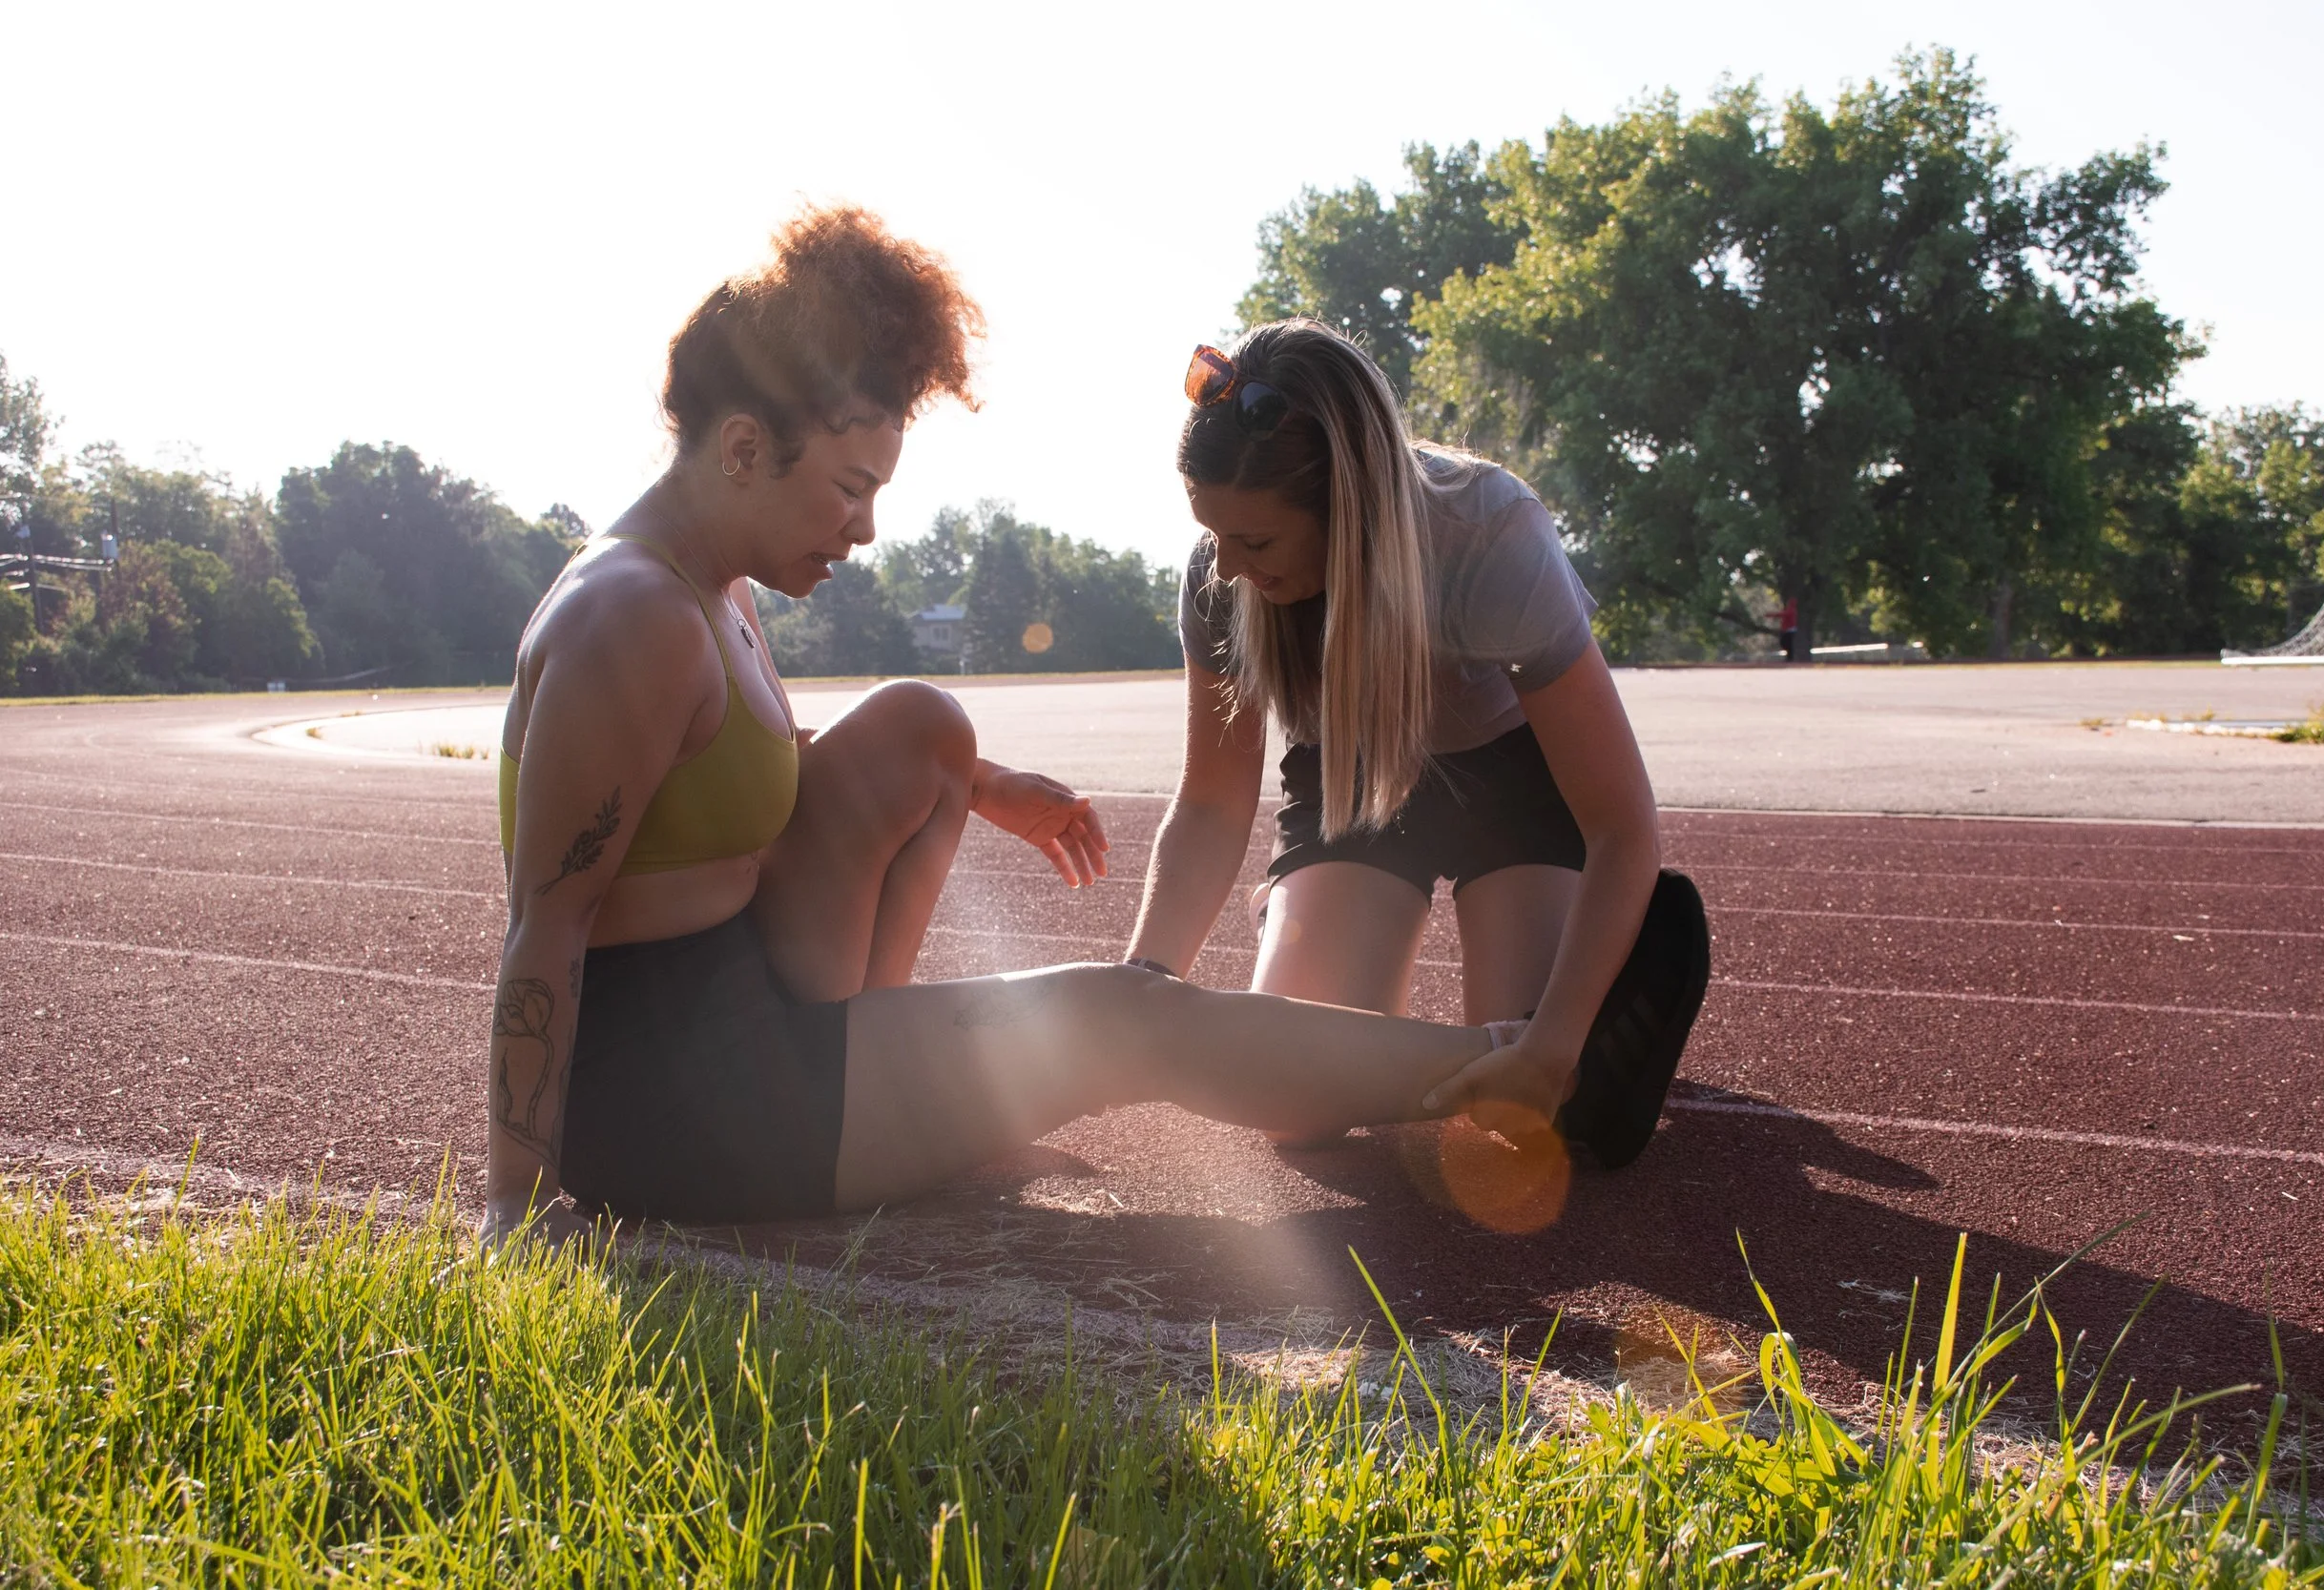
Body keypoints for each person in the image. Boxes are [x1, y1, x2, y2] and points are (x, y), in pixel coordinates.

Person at [480, 212, 1548, 1248]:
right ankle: (1512, 1064)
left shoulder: (708, 586)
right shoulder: (630, 619)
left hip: (751, 1007)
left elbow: (718, 781)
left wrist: (977, 778)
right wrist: (518, 1204)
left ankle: (897, 1101)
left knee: (918, 721)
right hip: (679, 1111)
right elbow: (548, 919)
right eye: (851, 489)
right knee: (1124, 1020)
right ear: (747, 447)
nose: (864, 528)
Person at [1124, 320, 1710, 1166]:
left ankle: (1622, 945)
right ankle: (1303, 911)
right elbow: (1213, 801)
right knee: (1290, 1112)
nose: (1226, 568)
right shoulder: (1221, 580)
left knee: (1522, 1106)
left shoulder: (1492, 537)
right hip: (1353, 773)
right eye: (1213, 535)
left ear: (1350, 515)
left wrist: (1551, 1047)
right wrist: (1142, 985)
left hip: (1512, 777)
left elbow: (1624, 826)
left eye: (1254, 542)